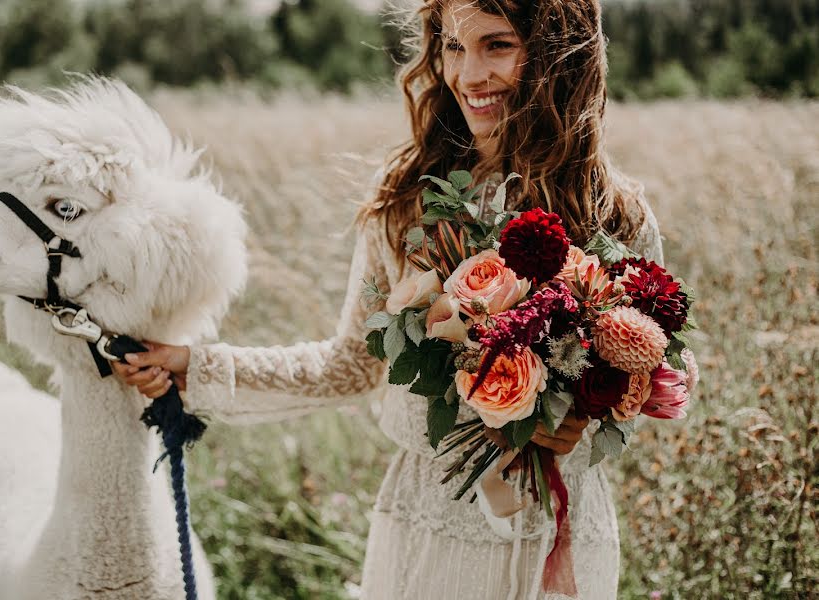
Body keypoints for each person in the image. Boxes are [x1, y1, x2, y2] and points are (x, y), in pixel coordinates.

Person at [114, 1, 664, 598]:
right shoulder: (407, 204)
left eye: (496, 45)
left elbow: (649, 374)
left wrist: (581, 420)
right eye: (454, 48)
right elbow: (350, 366)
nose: (469, 75)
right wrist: (198, 364)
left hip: (558, 532)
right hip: (431, 526)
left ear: (557, 54)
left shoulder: (613, 214)